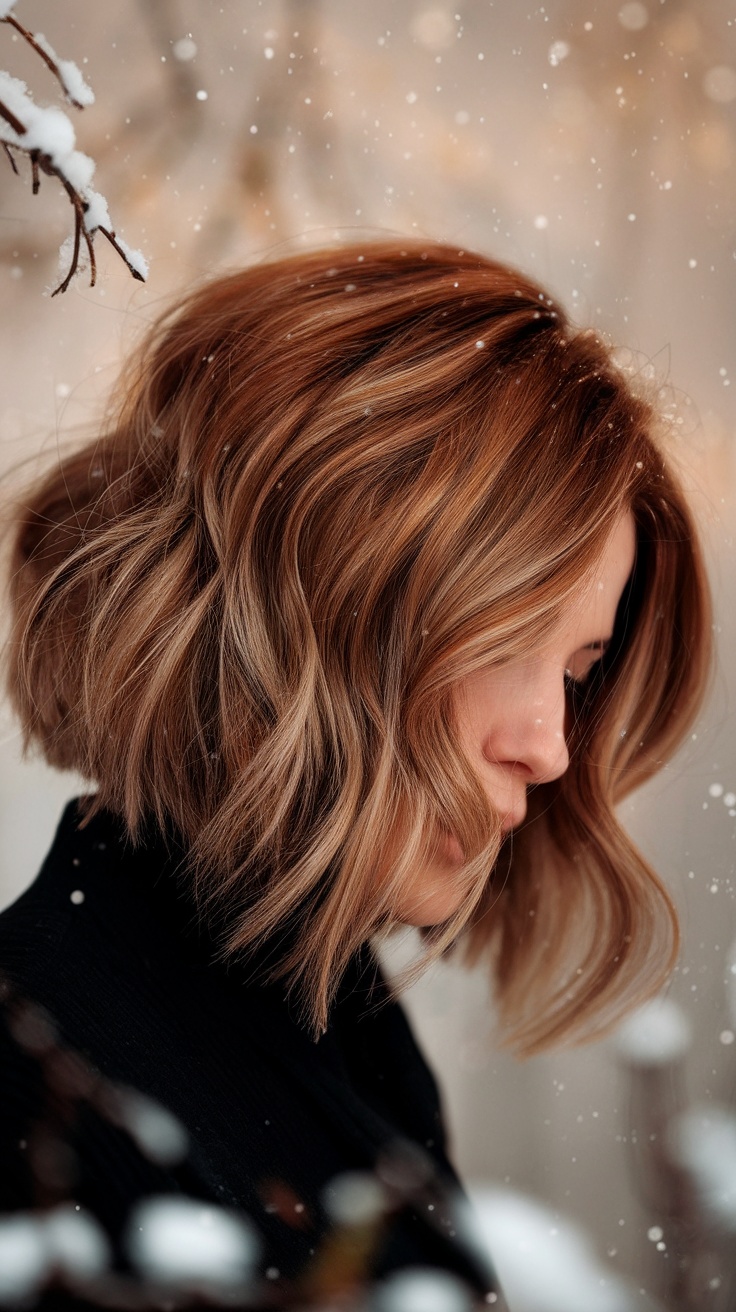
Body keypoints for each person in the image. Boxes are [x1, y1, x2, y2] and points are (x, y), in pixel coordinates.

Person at [0, 239, 711, 1307]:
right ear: (306, 613)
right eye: (498, 637)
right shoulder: (44, 1099)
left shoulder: (337, 1030)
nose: (550, 745)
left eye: (578, 670)